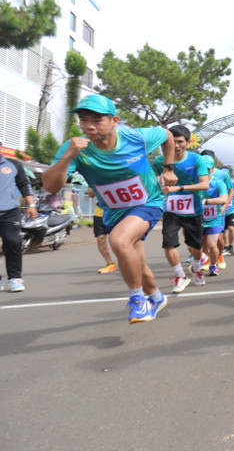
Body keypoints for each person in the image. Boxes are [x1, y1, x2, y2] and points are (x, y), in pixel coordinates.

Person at [43, 94, 177, 323]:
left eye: (97, 120)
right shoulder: (74, 148)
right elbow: (50, 186)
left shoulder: (136, 137)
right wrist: (67, 157)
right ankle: (156, 296)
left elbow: (167, 134)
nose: (89, 126)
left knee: (118, 241)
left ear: (115, 121)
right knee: (135, 261)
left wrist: (169, 168)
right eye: (84, 120)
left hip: (148, 202)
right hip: (115, 210)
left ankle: (138, 301)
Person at [152, 125, 210, 294]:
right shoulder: (158, 162)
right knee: (168, 243)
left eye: (180, 142)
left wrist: (179, 188)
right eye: (172, 142)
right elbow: (154, 179)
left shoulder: (196, 160)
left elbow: (204, 184)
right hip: (171, 209)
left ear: (188, 142)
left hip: (194, 209)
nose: (176, 146)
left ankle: (198, 269)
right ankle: (180, 275)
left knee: (196, 246)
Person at [0, 140, 37, 292]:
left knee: (12, 241)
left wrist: (31, 205)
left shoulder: (13, 164)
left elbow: (23, 184)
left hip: (9, 211)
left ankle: (15, 278)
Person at [199, 149, 234, 271]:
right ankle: (207, 259)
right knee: (204, 239)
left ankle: (219, 256)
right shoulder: (195, 177)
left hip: (218, 211)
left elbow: (230, 190)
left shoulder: (222, 176)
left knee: (218, 239)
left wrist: (225, 205)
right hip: (201, 214)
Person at [87, 190, 116, 274]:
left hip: (115, 213)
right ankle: (109, 263)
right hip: (100, 213)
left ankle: (127, 261)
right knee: (100, 238)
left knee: (117, 240)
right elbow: (91, 195)